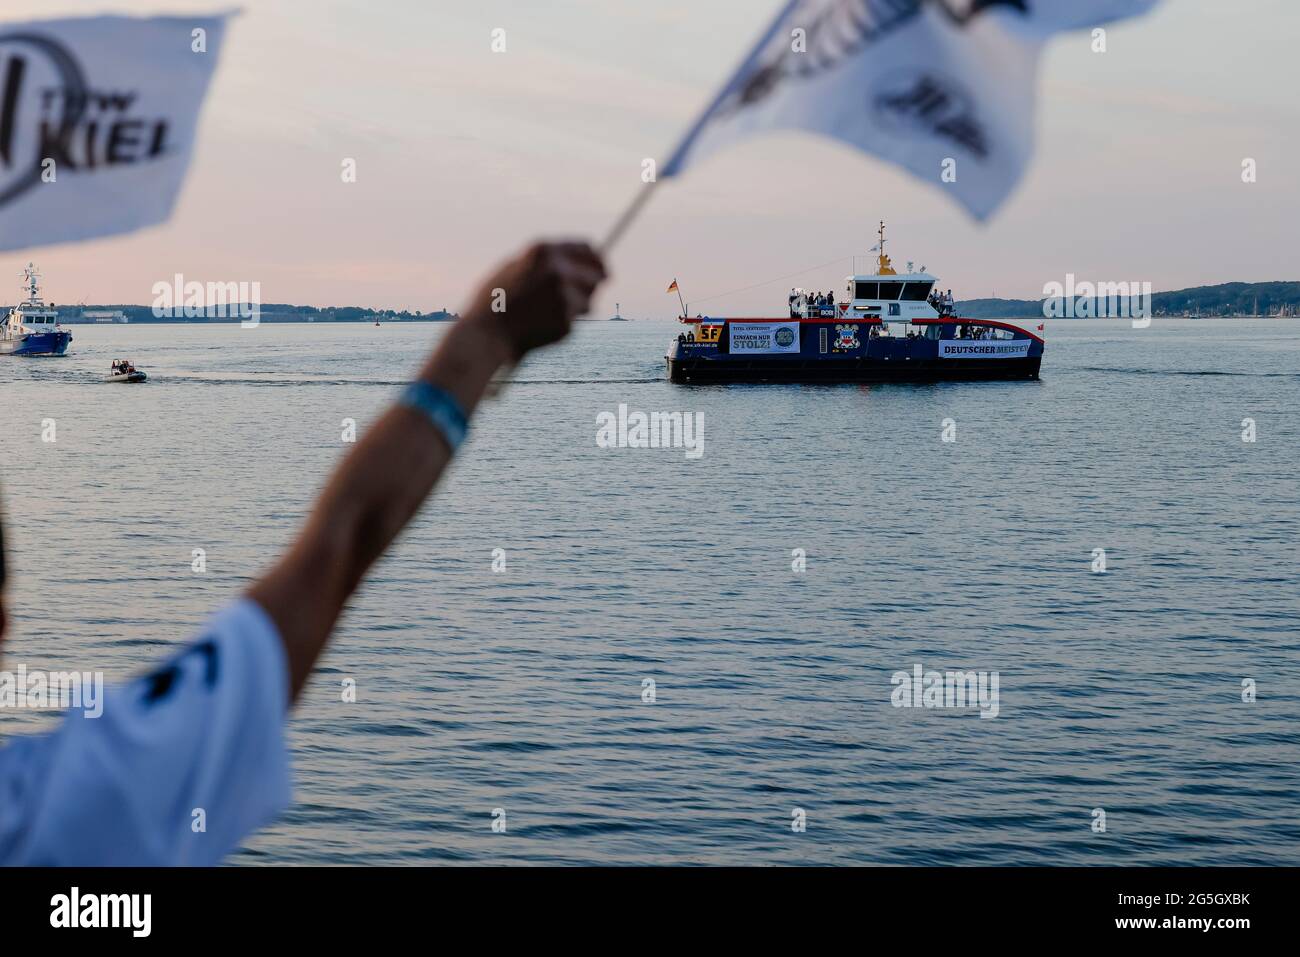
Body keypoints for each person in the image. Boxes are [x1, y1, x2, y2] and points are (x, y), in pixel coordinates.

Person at [0, 241, 606, 865]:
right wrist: (488, 335)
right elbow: (344, 537)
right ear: (2, 621)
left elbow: (342, 541)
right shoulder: (55, 808)